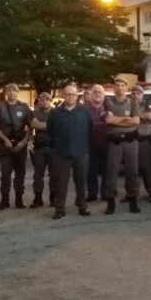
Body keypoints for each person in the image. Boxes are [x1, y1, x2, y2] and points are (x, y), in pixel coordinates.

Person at [46, 85, 93, 220]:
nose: (71, 97)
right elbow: (50, 130)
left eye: (73, 94)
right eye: (68, 94)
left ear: (77, 96)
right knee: (60, 183)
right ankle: (60, 209)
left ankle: (82, 207)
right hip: (61, 154)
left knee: (81, 181)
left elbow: (90, 129)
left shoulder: (84, 111)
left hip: (81, 152)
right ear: (63, 95)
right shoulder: (55, 113)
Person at [102, 77, 141, 214]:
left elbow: (136, 121)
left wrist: (116, 120)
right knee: (112, 172)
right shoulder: (108, 102)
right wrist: (126, 119)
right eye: (117, 85)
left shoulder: (132, 102)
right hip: (115, 142)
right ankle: (111, 202)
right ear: (114, 88)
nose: (120, 88)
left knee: (133, 171)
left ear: (126, 87)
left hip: (130, 142)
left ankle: (133, 200)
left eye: (122, 85)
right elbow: (108, 120)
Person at [0, 83, 32, 209]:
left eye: (14, 90)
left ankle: (19, 199)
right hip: (5, 145)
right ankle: (5, 200)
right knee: (5, 173)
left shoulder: (24, 107)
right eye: (8, 90)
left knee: (20, 174)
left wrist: (24, 142)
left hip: (20, 145)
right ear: (5, 92)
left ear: (17, 92)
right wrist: (4, 140)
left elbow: (31, 126)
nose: (11, 92)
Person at [132, 85, 151, 203]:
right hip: (131, 140)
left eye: (138, 93)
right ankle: (131, 194)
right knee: (131, 170)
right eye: (133, 93)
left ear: (142, 94)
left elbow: (149, 116)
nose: (135, 95)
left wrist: (134, 116)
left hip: (144, 140)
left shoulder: (148, 104)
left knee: (147, 168)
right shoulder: (128, 104)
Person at [85, 83, 111, 202]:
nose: (97, 94)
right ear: (90, 95)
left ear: (104, 95)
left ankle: (105, 193)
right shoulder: (84, 109)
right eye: (95, 92)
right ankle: (92, 194)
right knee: (91, 171)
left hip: (106, 143)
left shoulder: (109, 108)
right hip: (90, 144)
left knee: (106, 170)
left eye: (100, 92)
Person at [29, 92, 54, 208]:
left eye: (46, 99)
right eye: (41, 99)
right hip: (39, 147)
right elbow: (34, 125)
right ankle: (38, 197)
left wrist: (41, 125)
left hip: (53, 147)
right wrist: (48, 125)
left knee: (53, 174)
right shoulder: (34, 112)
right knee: (38, 174)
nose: (44, 101)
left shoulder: (55, 113)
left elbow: (56, 126)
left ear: (50, 100)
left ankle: (53, 197)